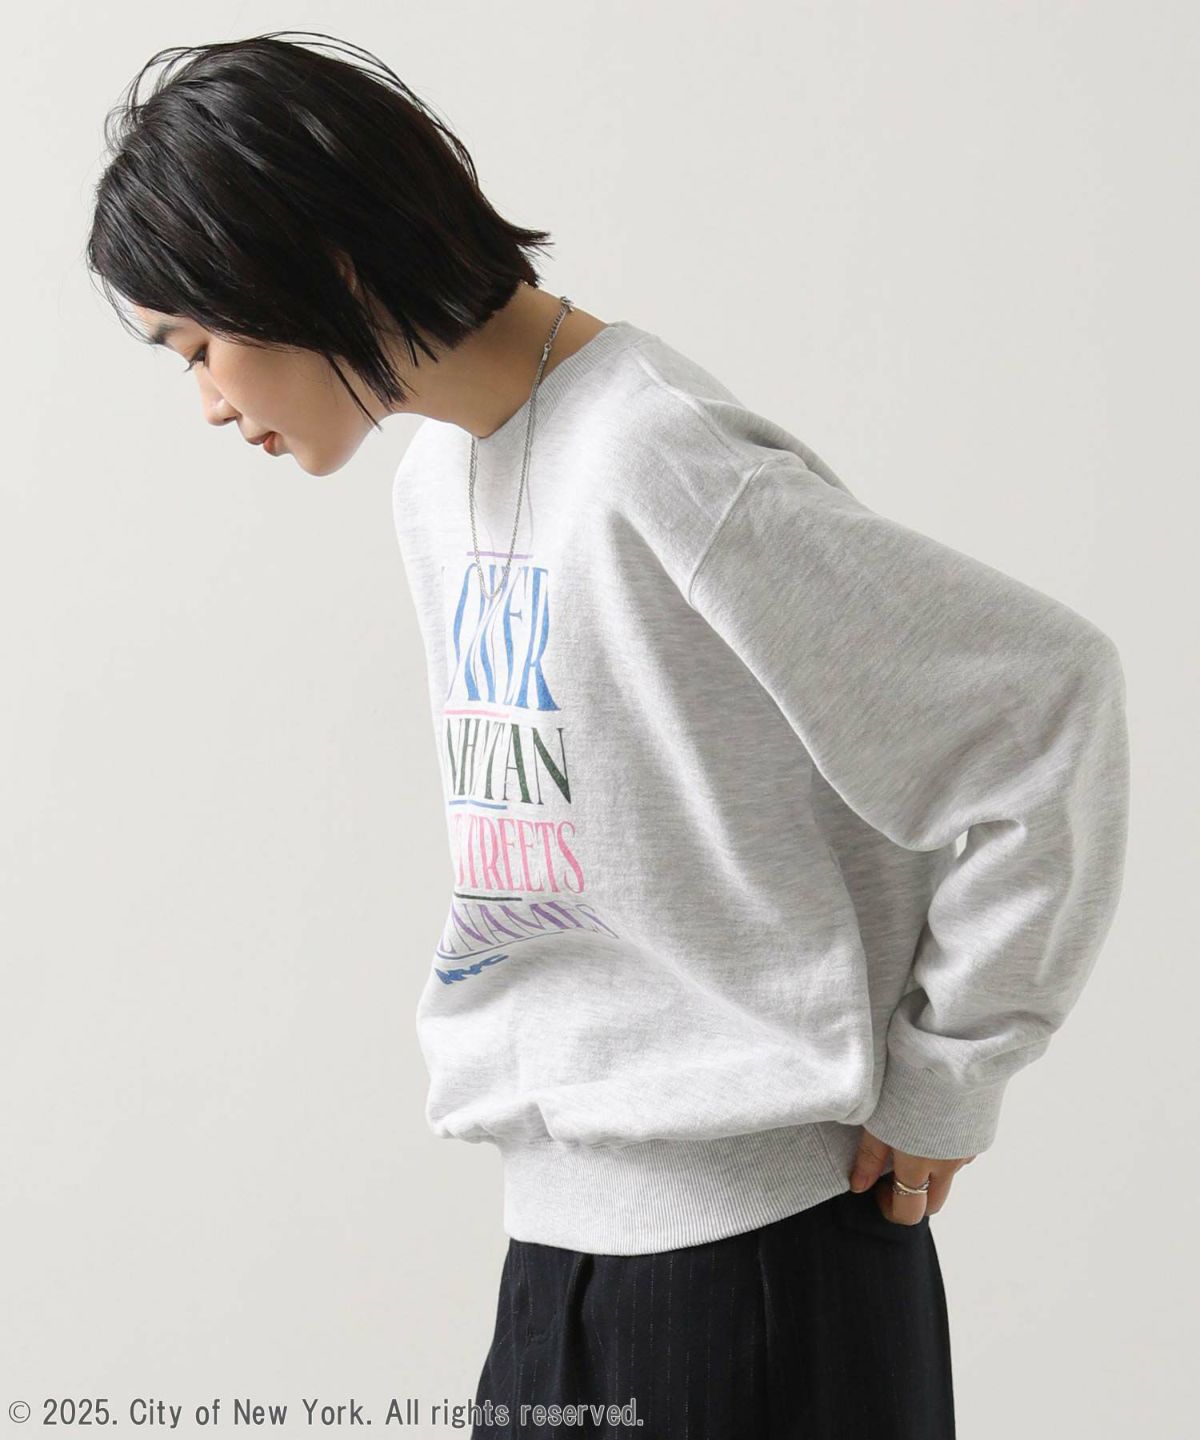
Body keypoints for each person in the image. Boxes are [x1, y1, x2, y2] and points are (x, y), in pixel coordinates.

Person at [86, 31, 1131, 1440]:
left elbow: (1049, 703)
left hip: (761, 1267)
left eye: (202, 345)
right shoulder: (439, 484)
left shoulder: (657, 462)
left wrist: (951, 1076)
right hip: (560, 1254)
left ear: (321, 266)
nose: (210, 401)